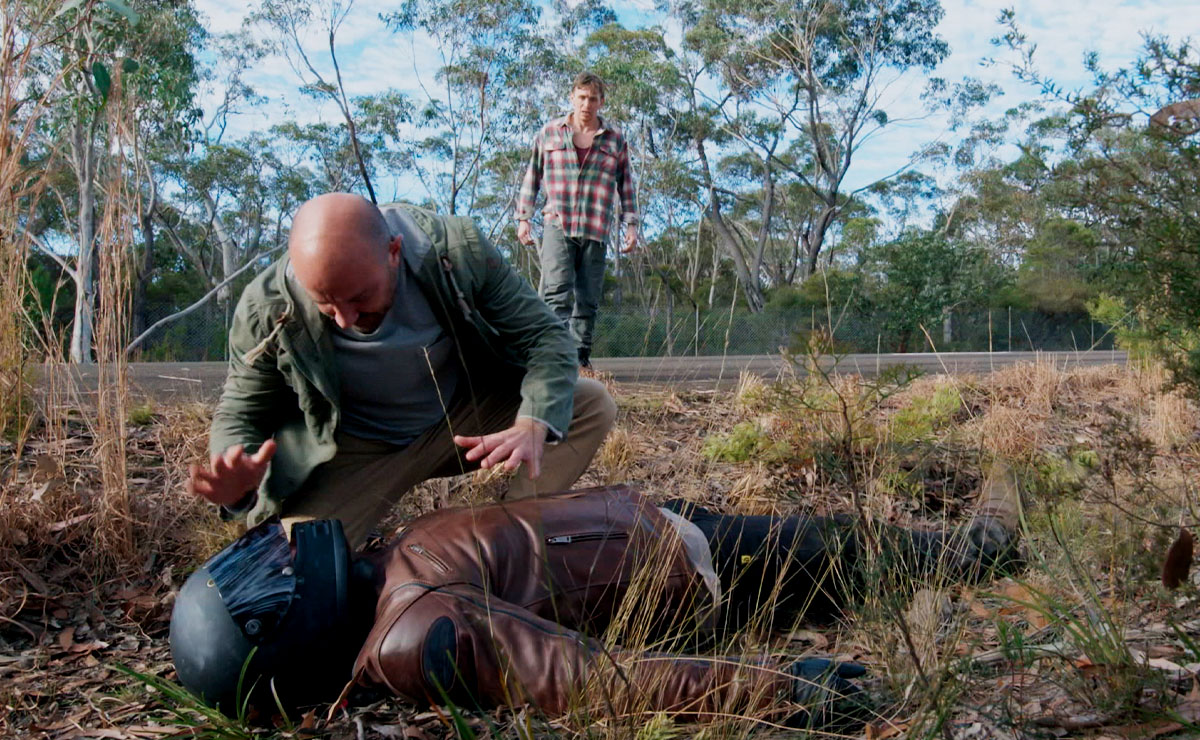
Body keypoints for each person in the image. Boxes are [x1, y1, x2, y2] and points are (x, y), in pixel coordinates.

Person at [170, 471, 1022, 729]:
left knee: (844, 548)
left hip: (665, 533)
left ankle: (969, 547)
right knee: (857, 553)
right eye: (268, 578)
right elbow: (588, 679)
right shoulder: (416, 632)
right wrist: (777, 688)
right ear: (286, 630)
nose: (282, 554)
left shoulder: (377, 579)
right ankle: (987, 548)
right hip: (701, 570)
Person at [187, 193, 617, 547]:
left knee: (587, 404)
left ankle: (503, 540)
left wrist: (532, 422)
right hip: (353, 450)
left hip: (460, 420)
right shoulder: (268, 307)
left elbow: (547, 337)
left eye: (359, 297)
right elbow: (241, 411)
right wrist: (237, 479)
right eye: (326, 304)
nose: (345, 319)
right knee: (300, 569)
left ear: (393, 252)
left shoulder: (455, 251)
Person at [515, 72, 639, 368]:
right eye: (582, 97)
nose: (586, 104)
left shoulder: (615, 139)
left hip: (596, 226)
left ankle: (581, 358)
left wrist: (631, 225)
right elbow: (532, 176)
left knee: (588, 298)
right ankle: (554, 358)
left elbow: (626, 184)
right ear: (572, 97)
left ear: (601, 102)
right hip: (558, 222)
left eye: (593, 99)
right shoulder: (550, 133)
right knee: (556, 293)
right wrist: (524, 218)